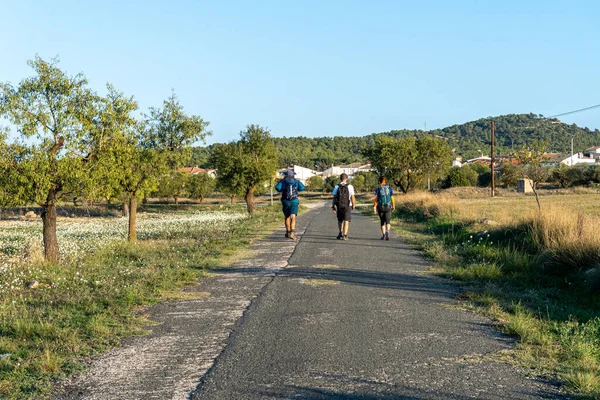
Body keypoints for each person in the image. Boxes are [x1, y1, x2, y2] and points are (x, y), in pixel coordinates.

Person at [275, 170, 305, 239]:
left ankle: (288, 232)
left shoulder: (283, 181)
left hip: (285, 201)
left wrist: (283, 189)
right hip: (294, 200)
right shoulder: (296, 181)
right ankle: (292, 232)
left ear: (286, 175)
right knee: (293, 217)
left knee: (287, 217)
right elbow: (302, 188)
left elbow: (277, 188)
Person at [331, 173, 356, 240]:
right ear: (346, 178)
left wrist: (333, 206)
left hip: (339, 205)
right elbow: (352, 197)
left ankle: (340, 232)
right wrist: (353, 204)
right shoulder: (350, 186)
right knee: (346, 220)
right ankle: (345, 235)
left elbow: (334, 197)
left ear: (340, 178)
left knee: (340, 220)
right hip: (348, 205)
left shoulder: (337, 186)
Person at [373, 176, 395, 240]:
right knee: (388, 221)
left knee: (382, 221)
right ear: (386, 181)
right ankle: (388, 230)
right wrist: (393, 206)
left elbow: (376, 199)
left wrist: (374, 207)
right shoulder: (390, 188)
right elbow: (392, 198)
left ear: (379, 181)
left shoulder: (378, 189)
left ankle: (384, 235)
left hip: (381, 207)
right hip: (388, 206)